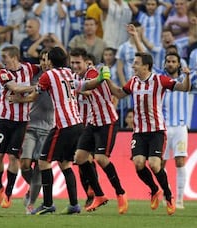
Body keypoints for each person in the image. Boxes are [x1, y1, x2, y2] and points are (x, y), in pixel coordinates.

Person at [25, 46, 110, 215]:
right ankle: (73, 205)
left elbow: (34, 95)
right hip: (77, 124)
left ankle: (48, 204)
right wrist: (101, 78)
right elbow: (85, 84)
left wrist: (18, 99)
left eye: (47, 59)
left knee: (43, 162)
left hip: (63, 125)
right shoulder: (69, 73)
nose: (45, 62)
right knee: (65, 164)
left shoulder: (47, 75)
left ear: (50, 61)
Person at [105, 52, 191, 216]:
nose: (133, 66)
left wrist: (186, 76)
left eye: (136, 63)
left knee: (154, 164)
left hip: (157, 131)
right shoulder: (134, 82)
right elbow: (118, 93)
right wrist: (106, 79)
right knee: (138, 163)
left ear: (146, 66)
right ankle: (154, 190)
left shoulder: (159, 80)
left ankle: (168, 195)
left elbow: (184, 88)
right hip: (139, 132)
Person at [70, 47, 128, 214]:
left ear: (86, 62)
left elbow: (98, 75)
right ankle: (99, 195)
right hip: (92, 122)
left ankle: (120, 192)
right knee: (79, 158)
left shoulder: (94, 73)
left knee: (101, 158)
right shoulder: (75, 77)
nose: (75, 66)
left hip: (108, 122)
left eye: (78, 62)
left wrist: (103, 71)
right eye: (72, 62)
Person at [0, 45, 39, 209]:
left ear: (15, 57)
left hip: (21, 122)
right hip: (4, 120)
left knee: (13, 157)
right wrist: (36, 88)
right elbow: (15, 88)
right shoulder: (4, 73)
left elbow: (45, 68)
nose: (3, 61)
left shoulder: (29, 68)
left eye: (5, 58)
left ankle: (8, 193)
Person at [10, 48, 54, 214]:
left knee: (39, 169)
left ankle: (31, 203)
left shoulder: (56, 77)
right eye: (42, 59)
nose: (44, 63)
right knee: (25, 164)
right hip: (30, 126)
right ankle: (33, 188)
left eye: (47, 59)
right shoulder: (33, 75)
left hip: (48, 128)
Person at [160, 52, 196, 209]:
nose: (170, 64)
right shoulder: (161, 80)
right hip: (164, 126)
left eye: (173, 61)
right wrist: (135, 37)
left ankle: (180, 199)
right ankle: (167, 195)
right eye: (168, 61)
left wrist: (187, 75)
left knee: (180, 161)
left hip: (181, 126)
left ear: (179, 64)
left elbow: (187, 88)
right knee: (160, 163)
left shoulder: (185, 79)